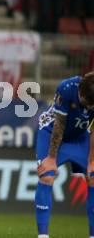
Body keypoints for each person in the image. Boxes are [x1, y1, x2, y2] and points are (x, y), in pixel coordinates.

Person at [35, 73, 94, 238]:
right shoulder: (66, 88)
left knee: (93, 175)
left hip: (80, 136)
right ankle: (43, 236)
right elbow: (59, 125)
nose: (88, 109)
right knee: (47, 175)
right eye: (86, 104)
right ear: (81, 92)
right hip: (51, 131)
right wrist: (51, 158)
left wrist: (92, 160)